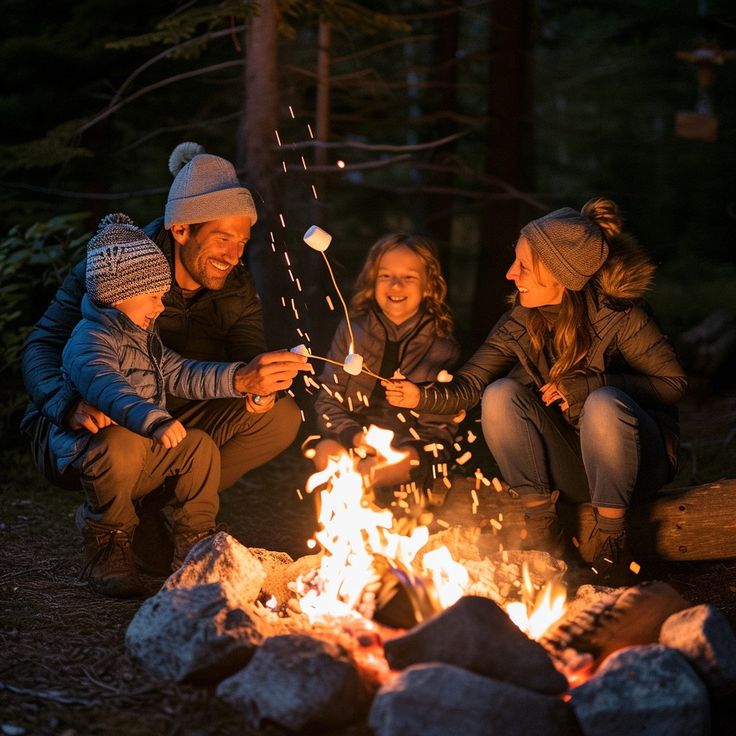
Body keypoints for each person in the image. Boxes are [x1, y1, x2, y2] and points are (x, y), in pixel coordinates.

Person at [21, 142, 309, 578]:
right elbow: (41, 346)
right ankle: (112, 526)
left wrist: (256, 385)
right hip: (93, 419)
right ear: (181, 230)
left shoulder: (236, 288)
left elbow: (228, 364)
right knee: (121, 438)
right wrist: (69, 404)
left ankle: (161, 510)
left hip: (168, 414)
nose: (233, 256)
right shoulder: (121, 267)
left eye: (242, 242)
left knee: (281, 417)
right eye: (222, 238)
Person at [384, 199, 687, 584]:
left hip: (637, 463)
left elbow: (673, 385)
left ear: (561, 274)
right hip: (575, 465)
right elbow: (469, 386)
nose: (511, 274)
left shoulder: (621, 316)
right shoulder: (520, 322)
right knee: (500, 394)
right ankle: (545, 531)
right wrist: (420, 395)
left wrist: (592, 384)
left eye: (524, 266)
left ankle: (612, 542)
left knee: (602, 403)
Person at [312, 233, 461, 505]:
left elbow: (439, 426)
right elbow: (327, 398)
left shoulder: (442, 345)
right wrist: (355, 436)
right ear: (372, 281)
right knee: (326, 453)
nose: (396, 285)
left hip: (408, 450)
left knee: (375, 470)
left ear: (429, 286)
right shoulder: (352, 330)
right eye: (386, 275)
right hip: (355, 437)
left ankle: (375, 523)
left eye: (409, 277)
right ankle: (341, 537)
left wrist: (410, 450)